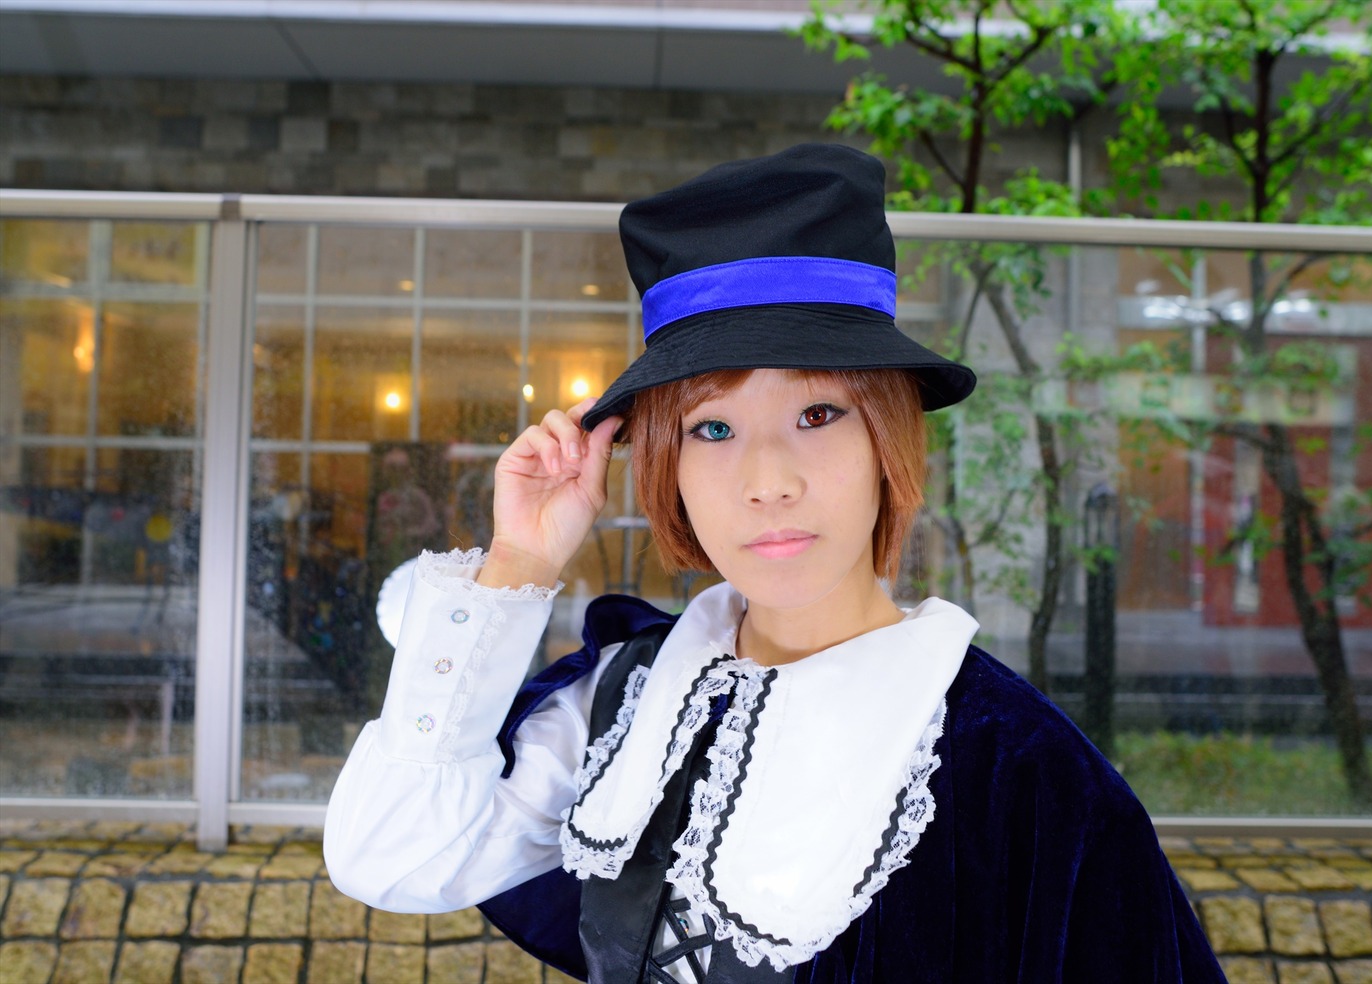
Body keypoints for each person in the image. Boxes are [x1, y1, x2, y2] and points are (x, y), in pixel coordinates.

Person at [324, 144, 1227, 983]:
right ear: (663, 464)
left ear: (890, 440)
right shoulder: (632, 698)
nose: (768, 482)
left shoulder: (1023, 771)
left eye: (818, 415)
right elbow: (396, 858)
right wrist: (519, 559)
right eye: (712, 428)